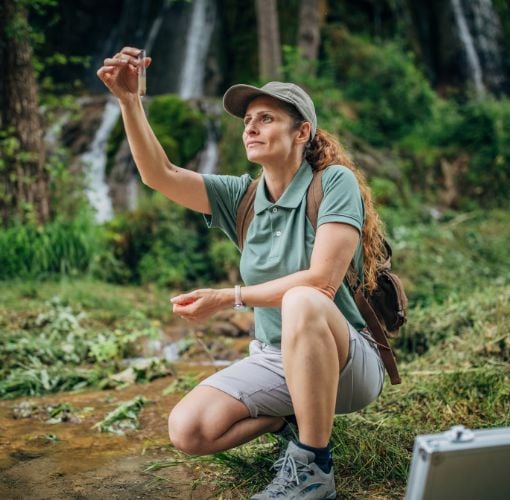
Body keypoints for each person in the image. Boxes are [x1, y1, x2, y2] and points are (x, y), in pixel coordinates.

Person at [97, 47, 386, 500]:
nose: (250, 126)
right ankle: (289, 420)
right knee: (187, 430)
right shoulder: (242, 198)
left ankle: (313, 468)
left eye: (266, 118)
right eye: (247, 120)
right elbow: (160, 173)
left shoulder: (333, 183)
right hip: (276, 359)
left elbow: (322, 282)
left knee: (303, 298)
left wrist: (230, 297)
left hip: (348, 360)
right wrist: (129, 102)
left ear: (302, 132)